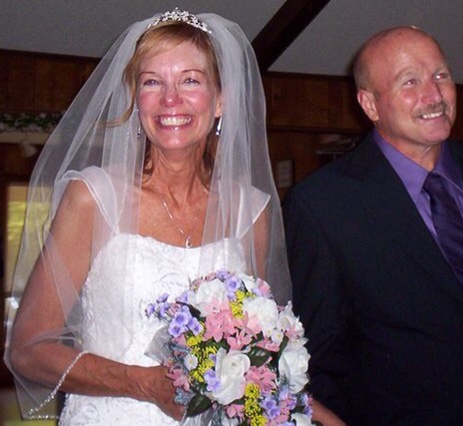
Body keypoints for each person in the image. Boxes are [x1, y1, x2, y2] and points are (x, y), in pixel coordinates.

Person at [3, 9, 294, 425]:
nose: (170, 99)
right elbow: (27, 350)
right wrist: (142, 383)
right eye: (152, 82)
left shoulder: (251, 211)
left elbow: (262, 358)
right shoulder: (94, 198)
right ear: (135, 99)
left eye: (190, 81)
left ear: (221, 100)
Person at [283, 26, 463, 425]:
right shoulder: (323, 205)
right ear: (370, 104)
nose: (434, 96)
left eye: (441, 76)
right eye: (410, 82)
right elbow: (316, 353)